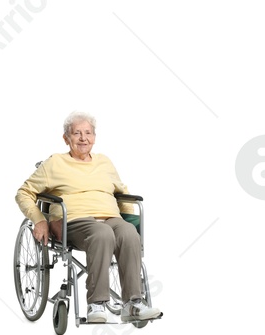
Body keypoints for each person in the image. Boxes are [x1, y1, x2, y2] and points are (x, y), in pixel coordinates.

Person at [16, 112, 162, 324]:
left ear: (94, 137)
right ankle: (96, 304)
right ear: (66, 138)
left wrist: (131, 221)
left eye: (88, 133)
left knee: (129, 234)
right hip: (73, 221)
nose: (83, 138)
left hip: (109, 217)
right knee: (102, 233)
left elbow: (122, 192)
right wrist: (39, 219)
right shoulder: (55, 163)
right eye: (77, 133)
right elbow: (24, 193)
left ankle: (133, 304)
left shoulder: (104, 162)